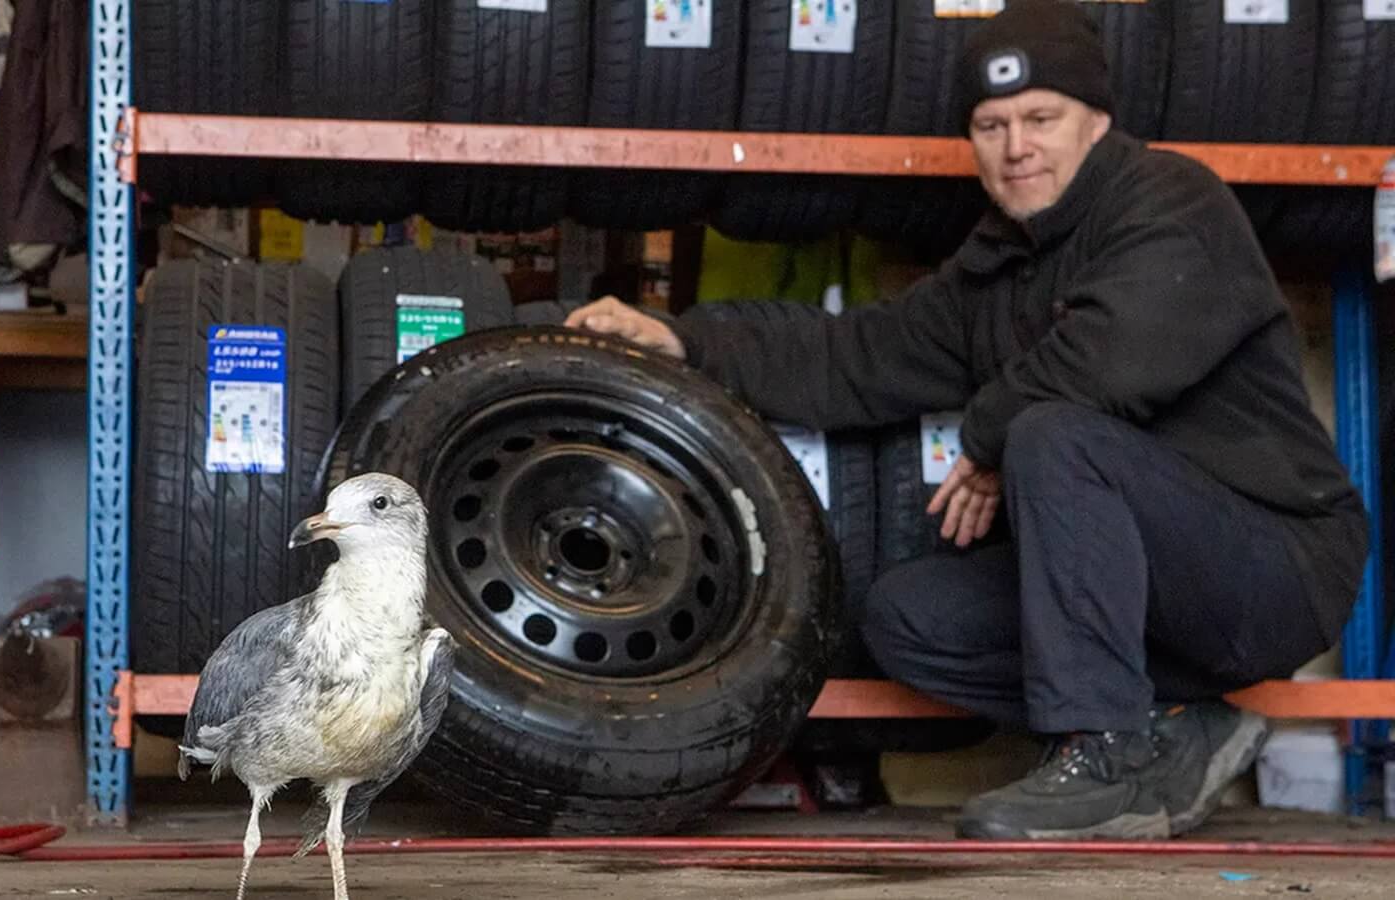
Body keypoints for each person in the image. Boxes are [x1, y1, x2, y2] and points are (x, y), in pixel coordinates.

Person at [564, 0, 1369, 840]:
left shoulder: (1170, 202)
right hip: (1157, 602)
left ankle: (1107, 750)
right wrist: (687, 339)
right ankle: (1176, 730)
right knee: (910, 617)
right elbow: (857, 357)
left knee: (1052, 433)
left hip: (1275, 570)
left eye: (1040, 119)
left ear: (1096, 121)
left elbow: (1112, 362)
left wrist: (986, 443)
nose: (1016, 146)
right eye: (991, 125)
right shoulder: (995, 268)